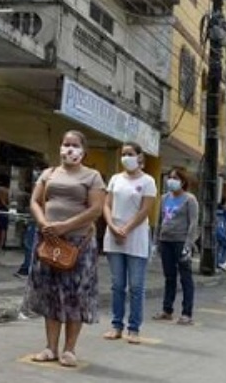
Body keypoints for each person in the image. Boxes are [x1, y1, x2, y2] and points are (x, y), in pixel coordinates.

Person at [23, 130, 106, 368]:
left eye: (75, 145)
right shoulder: (48, 174)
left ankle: (69, 349)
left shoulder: (92, 176)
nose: (69, 149)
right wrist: (44, 223)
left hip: (78, 244)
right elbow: (35, 202)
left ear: (83, 150)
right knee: (50, 294)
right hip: (49, 241)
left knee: (75, 296)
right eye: (66, 144)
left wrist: (65, 226)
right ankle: (50, 347)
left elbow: (95, 210)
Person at [101, 142, 157, 344]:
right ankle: (116, 325)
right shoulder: (115, 179)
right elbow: (106, 205)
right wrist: (113, 227)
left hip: (136, 237)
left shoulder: (148, 181)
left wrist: (126, 229)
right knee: (117, 285)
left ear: (139, 157)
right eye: (123, 154)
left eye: (130, 154)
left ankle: (134, 328)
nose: (126, 157)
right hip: (114, 236)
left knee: (136, 285)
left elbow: (145, 210)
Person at [153, 167, 198, 326]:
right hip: (166, 241)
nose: (171, 181)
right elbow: (159, 221)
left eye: (175, 178)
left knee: (186, 278)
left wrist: (188, 245)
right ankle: (167, 310)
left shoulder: (189, 199)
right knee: (169, 277)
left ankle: (187, 313)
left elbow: (193, 223)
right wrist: (157, 241)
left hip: (181, 242)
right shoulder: (164, 198)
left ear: (183, 181)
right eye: (170, 177)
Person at [215, 203, 226, 271]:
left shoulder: (215, 213)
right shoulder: (225, 214)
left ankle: (217, 263)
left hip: (215, 232)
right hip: (222, 232)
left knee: (218, 248)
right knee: (225, 246)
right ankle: (221, 262)